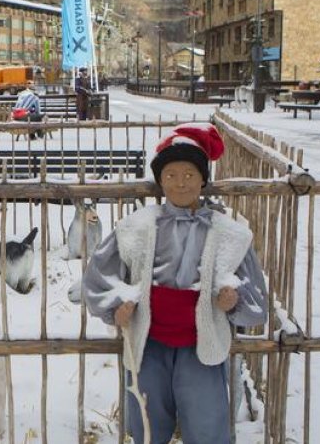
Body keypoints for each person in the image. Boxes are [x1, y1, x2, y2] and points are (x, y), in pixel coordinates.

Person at [82, 123, 267, 444]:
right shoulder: (138, 227)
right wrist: (115, 308)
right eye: (171, 175)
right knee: (147, 421)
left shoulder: (228, 234)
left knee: (206, 422)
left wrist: (233, 302)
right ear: (160, 180)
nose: (180, 183)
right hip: (149, 343)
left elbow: (255, 297)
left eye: (189, 175)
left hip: (201, 347)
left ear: (202, 180)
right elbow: (100, 272)